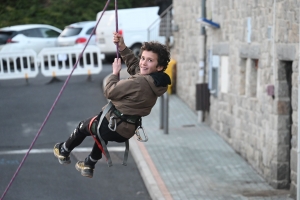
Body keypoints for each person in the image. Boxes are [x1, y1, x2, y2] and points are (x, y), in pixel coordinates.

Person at [53, 32, 171, 178]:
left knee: (83, 127)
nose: (143, 63)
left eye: (149, 61)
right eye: (143, 58)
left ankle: (64, 150)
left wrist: (114, 74)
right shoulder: (156, 81)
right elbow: (135, 67)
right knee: (101, 136)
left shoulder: (139, 83)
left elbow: (110, 92)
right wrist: (122, 47)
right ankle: (89, 164)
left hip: (112, 123)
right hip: (126, 129)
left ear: (159, 67)